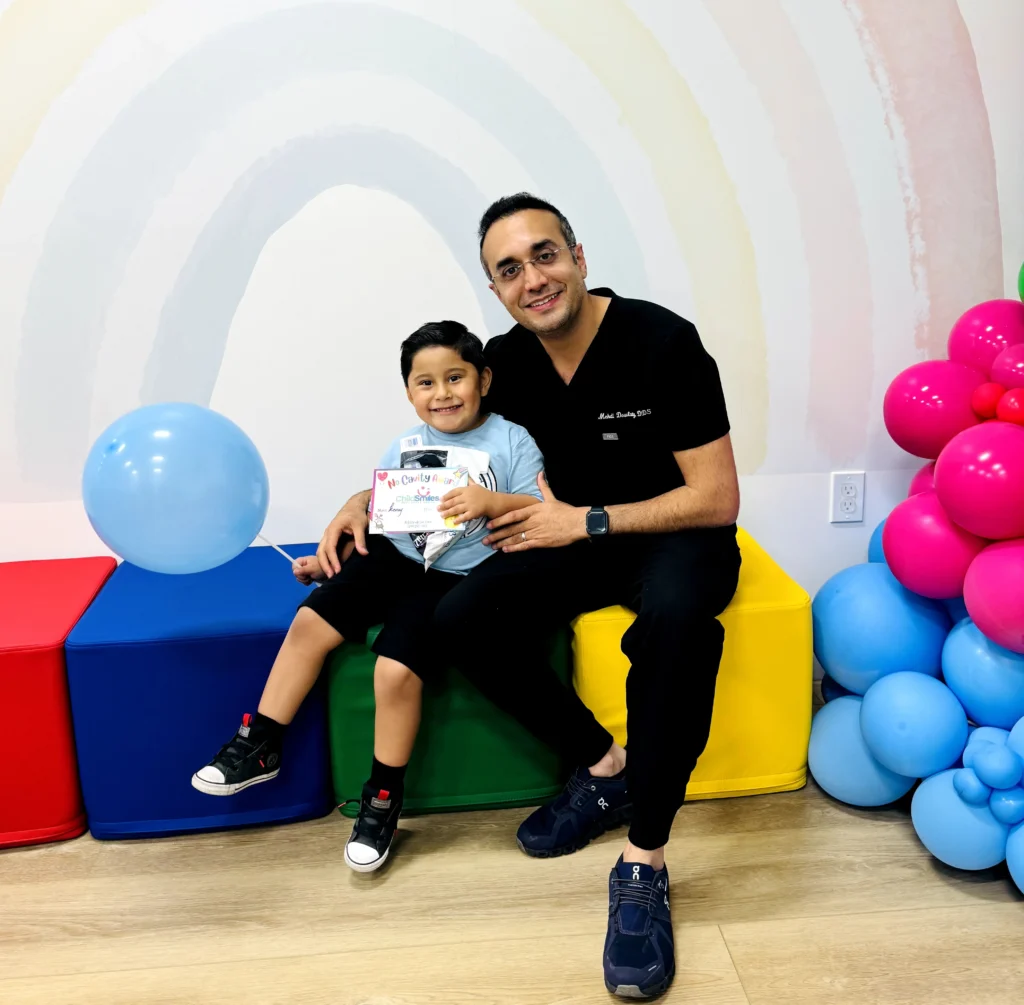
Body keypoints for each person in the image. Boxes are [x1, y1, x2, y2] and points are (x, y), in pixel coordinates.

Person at [319, 194, 741, 999]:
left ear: (578, 257)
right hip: (572, 536)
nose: (533, 279)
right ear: (496, 289)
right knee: (462, 616)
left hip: (675, 536)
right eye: (509, 269)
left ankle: (644, 858)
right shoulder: (505, 363)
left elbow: (716, 498)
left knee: (677, 623)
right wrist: (360, 499)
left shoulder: (662, 341)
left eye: (544, 255)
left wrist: (586, 520)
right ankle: (605, 766)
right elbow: (447, 440)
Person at [191, 320, 545, 873]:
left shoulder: (511, 439)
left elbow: (538, 511)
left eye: (455, 377)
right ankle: (261, 742)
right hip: (392, 557)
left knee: (394, 671)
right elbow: (384, 515)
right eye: (425, 383)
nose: (443, 393)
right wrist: (331, 563)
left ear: (483, 379)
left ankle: (382, 796)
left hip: (455, 577)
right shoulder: (405, 445)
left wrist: (491, 502)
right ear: (409, 392)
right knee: (310, 622)